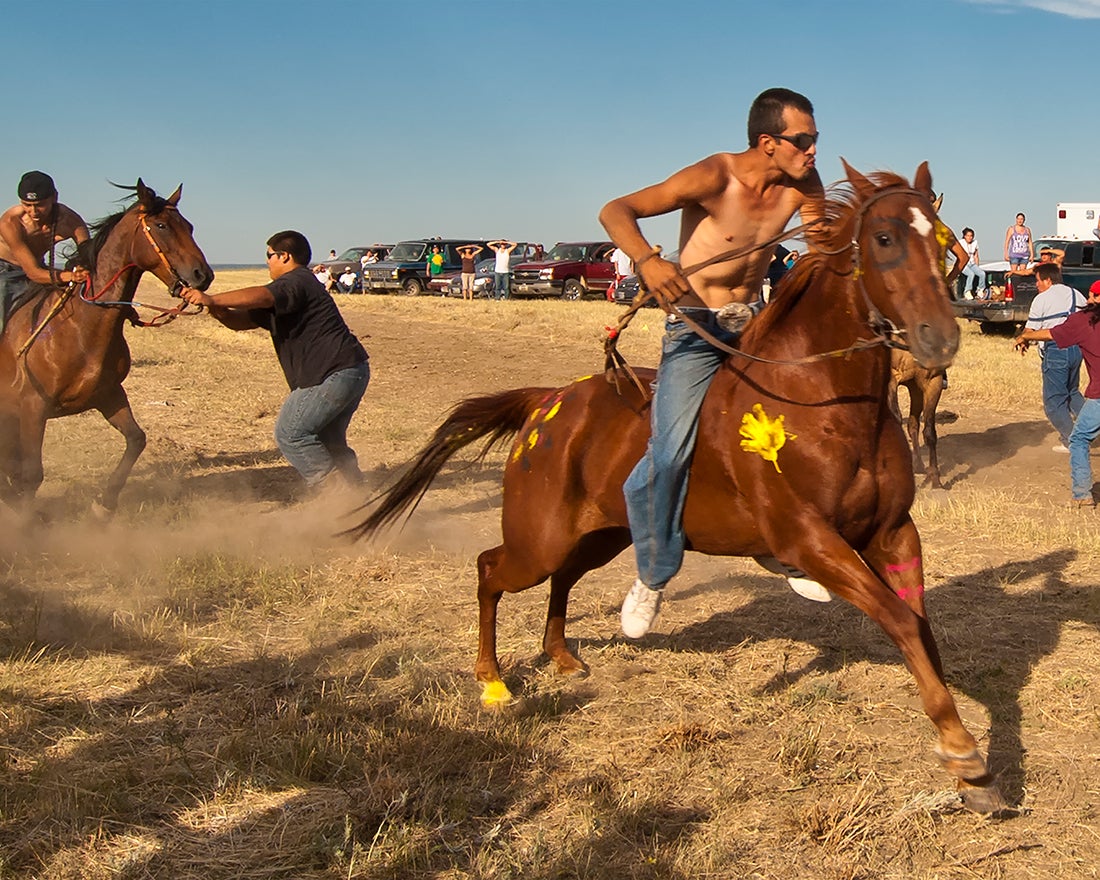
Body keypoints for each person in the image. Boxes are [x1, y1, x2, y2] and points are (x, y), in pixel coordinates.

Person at [598, 87, 827, 638]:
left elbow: (824, 248)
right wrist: (650, 262)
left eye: (817, 139)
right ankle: (651, 576)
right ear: (768, 142)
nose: (814, 150)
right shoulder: (714, 176)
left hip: (757, 328)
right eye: (805, 140)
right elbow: (616, 210)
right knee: (672, 452)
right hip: (697, 329)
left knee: (793, 439)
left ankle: (781, 549)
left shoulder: (804, 186)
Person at [180, 231, 370, 491]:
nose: (267, 262)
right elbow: (241, 322)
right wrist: (216, 310)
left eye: (269, 256)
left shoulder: (297, 280)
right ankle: (360, 499)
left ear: (284, 256)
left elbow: (263, 295)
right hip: (350, 370)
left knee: (291, 434)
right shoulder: (291, 292)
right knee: (329, 441)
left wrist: (212, 298)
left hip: (331, 373)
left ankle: (337, 497)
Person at [1015, 279, 1100, 506]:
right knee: (1073, 394)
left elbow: (1053, 333)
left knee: (1079, 438)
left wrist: (1025, 336)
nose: (1088, 299)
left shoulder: (1086, 320)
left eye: (1092, 295)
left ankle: (1082, 494)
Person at [0, 171, 90, 334]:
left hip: (40, 268)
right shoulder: (10, 222)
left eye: (40, 205)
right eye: (27, 205)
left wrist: (82, 268)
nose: (33, 212)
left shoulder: (71, 220)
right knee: (4, 328)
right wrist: (69, 276)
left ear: (54, 197)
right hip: (5, 273)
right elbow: (33, 273)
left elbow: (88, 253)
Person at [1012, 262, 1086, 453]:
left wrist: (1023, 339)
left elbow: (1031, 329)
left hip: (1056, 351)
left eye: (1037, 281)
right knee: (1072, 393)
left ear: (1047, 280)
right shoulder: (1076, 294)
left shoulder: (1042, 299)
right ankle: (1092, 426)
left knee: (1053, 402)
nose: (1036, 285)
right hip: (1077, 350)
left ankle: (1073, 441)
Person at [959, 227, 985, 299]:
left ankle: (980, 289)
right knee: (971, 274)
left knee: (982, 274)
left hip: (972, 263)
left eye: (971, 236)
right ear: (964, 236)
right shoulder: (961, 243)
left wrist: (977, 266)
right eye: (968, 235)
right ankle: (967, 291)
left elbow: (976, 256)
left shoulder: (975, 243)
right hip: (963, 264)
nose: (970, 237)